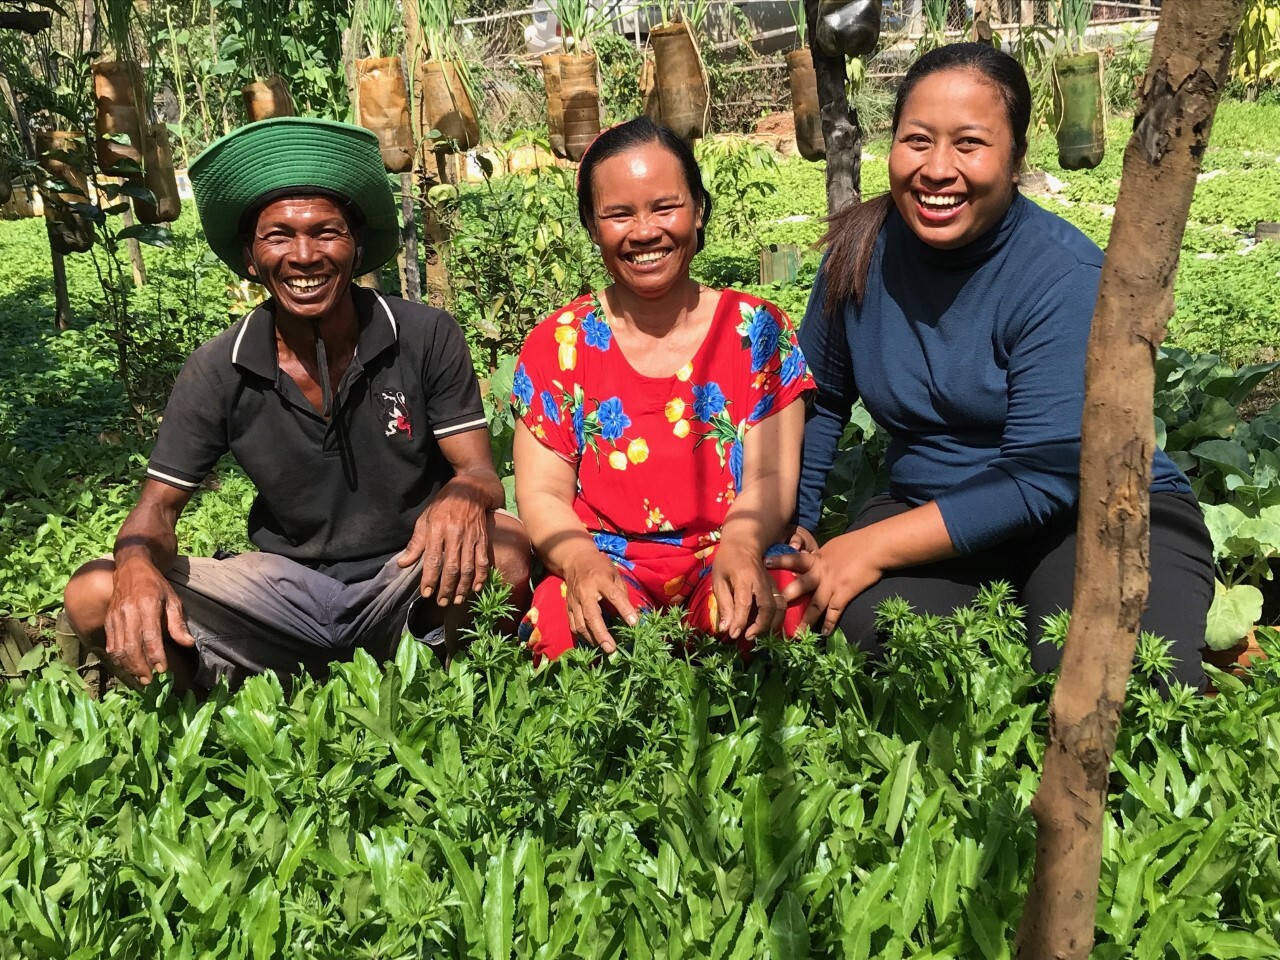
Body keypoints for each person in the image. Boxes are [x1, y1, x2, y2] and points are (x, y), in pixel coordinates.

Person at [769, 43, 1214, 691]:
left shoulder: (1060, 276)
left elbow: (1040, 479)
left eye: (970, 144)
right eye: (917, 140)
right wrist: (798, 528)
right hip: (933, 510)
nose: (937, 169)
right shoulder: (859, 255)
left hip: (1093, 509)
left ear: (1015, 161)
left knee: (1118, 681)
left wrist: (863, 545)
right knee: (868, 636)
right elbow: (820, 400)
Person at [63, 117, 529, 693]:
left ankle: (438, 686)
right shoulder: (219, 366)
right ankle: (206, 710)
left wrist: (462, 494)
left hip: (407, 571)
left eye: (326, 232)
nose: (304, 255)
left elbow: (481, 472)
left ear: (356, 248)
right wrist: (134, 563)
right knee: (93, 594)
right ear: (252, 257)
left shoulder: (423, 333)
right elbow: (156, 508)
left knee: (505, 549)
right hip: (280, 590)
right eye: (278, 236)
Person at [511, 117, 815, 660]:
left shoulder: (757, 332)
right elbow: (541, 493)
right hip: (605, 560)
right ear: (591, 225)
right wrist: (579, 561)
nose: (645, 231)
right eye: (618, 214)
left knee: (776, 613)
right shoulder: (559, 343)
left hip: (726, 549)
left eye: (664, 207)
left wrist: (744, 542)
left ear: (698, 210)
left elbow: (771, 475)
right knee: (561, 630)